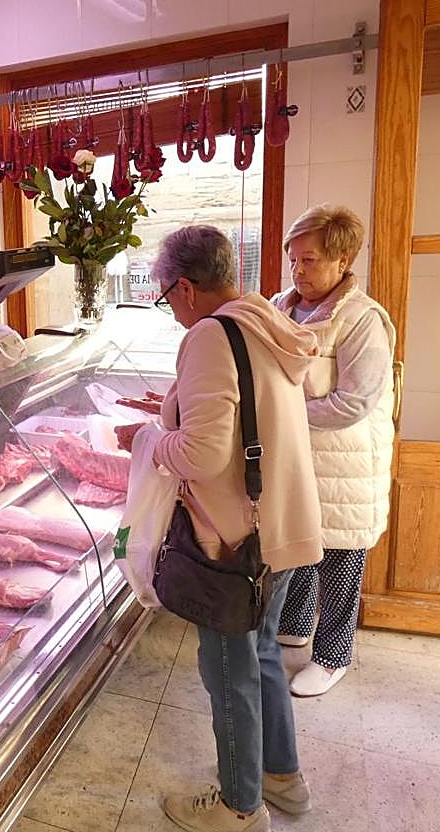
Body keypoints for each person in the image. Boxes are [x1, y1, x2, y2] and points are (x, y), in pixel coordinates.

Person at [116, 225, 323, 832]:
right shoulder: (262, 318)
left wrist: (148, 439)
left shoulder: (210, 333)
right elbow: (237, 417)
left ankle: (240, 807)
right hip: (284, 526)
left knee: (229, 671)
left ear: (185, 286)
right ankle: (283, 779)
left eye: (165, 296)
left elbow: (203, 456)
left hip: (236, 542)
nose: (170, 309)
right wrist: (173, 405)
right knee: (261, 657)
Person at [272, 204, 396, 698]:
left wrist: (282, 414)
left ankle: (332, 655)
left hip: (346, 465)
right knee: (301, 543)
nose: (299, 271)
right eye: (294, 260)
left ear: (343, 261)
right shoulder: (282, 305)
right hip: (301, 457)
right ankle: (296, 625)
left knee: (341, 556)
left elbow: (354, 402)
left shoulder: (361, 320)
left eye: (311, 260)